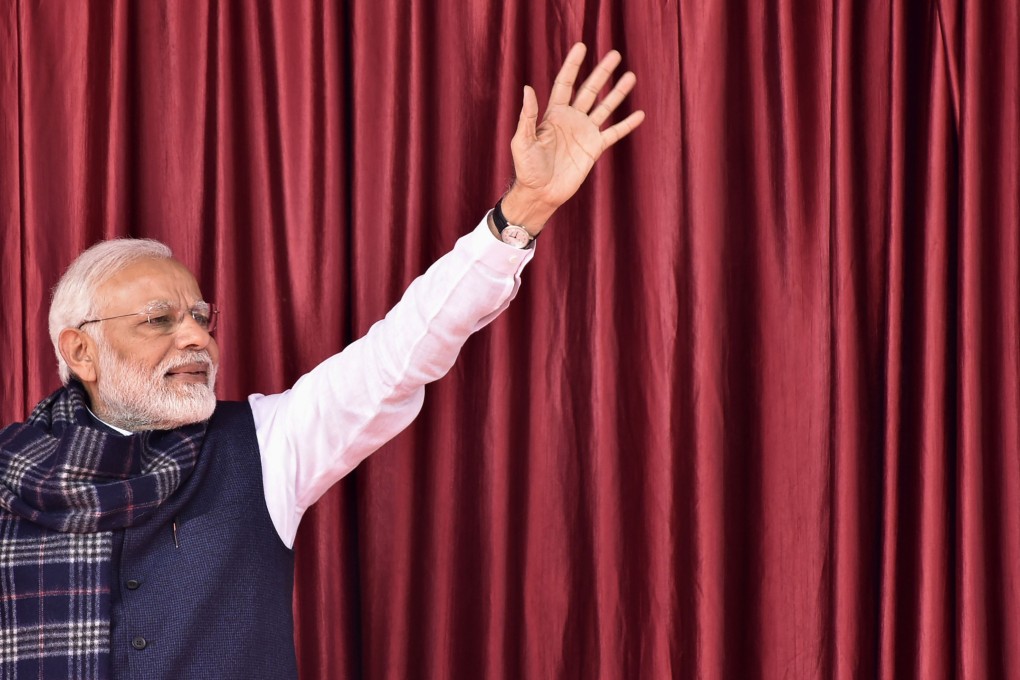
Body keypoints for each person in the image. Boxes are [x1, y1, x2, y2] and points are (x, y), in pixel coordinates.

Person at [0, 43, 643, 680]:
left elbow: (399, 354)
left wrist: (523, 210)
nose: (195, 337)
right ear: (80, 350)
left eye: (199, 316)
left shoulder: (265, 442)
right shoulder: (10, 474)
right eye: (158, 320)